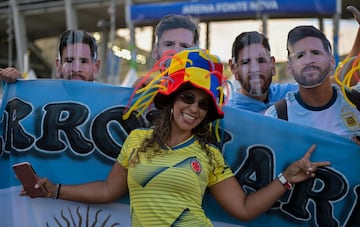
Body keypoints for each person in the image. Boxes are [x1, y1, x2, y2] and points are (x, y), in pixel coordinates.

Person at [22, 48, 330, 226]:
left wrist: (287, 178)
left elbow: (244, 210)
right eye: (187, 99)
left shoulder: (209, 156)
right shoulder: (136, 141)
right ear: (171, 101)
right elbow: (107, 191)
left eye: (203, 104)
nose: (194, 109)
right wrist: (55, 189)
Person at [227, 5, 360, 114]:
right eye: (246, 62)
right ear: (234, 68)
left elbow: (339, 82)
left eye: (261, 61)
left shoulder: (285, 93)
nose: (255, 69)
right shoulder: (229, 115)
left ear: (273, 65)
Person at [264, 25, 360, 145]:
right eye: (300, 56)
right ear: (290, 67)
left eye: (316, 52)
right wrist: (290, 165)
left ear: (331, 62)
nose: (308, 60)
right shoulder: (277, 116)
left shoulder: (355, 102)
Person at [0, 29, 100, 82]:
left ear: (95, 67)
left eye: (83, 61)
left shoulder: (112, 103)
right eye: (69, 60)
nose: (76, 69)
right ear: (58, 67)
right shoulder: (40, 98)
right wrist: (19, 87)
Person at [132, 14, 199, 87]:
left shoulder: (208, 91)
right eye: (168, 44)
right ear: (155, 51)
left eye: (184, 46)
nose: (176, 52)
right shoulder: (143, 89)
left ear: (196, 53)